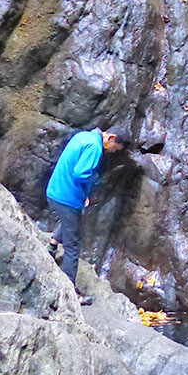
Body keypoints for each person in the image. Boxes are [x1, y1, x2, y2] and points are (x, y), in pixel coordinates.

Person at [46, 125, 128, 304]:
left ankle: (52, 246)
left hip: (57, 190)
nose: (113, 152)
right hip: (66, 197)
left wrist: (84, 194)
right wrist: (96, 179)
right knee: (73, 246)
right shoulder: (95, 147)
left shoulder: (84, 136)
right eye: (115, 148)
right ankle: (69, 291)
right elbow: (80, 173)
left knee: (71, 221)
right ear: (111, 138)